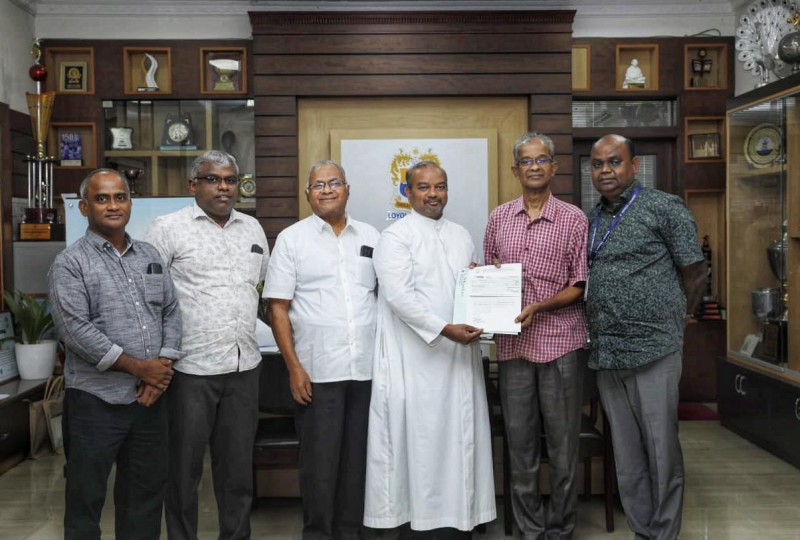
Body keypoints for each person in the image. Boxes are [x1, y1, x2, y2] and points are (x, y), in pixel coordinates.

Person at [364, 160, 496, 538]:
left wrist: (481, 282)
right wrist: (444, 329)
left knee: (459, 439)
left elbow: (462, 288)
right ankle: (420, 523)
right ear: (407, 193)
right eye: (423, 187)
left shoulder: (461, 235)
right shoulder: (395, 237)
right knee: (421, 443)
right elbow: (399, 297)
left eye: (440, 186)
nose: (433, 194)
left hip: (459, 358)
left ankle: (459, 519)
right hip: (415, 360)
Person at [49, 169, 183, 540]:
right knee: (85, 499)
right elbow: (75, 331)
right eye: (102, 198)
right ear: (83, 207)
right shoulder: (70, 263)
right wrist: (140, 368)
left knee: (145, 497)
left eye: (120, 197)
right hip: (95, 402)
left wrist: (161, 371)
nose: (113, 206)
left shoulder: (150, 255)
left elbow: (171, 311)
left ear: (129, 203)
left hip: (148, 401)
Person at [144, 150, 270, 540]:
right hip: (189, 370)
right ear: (193, 185)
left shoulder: (253, 229)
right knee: (183, 471)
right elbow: (149, 299)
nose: (223, 187)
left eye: (230, 180)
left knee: (237, 471)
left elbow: (260, 289)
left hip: (244, 367)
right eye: (213, 179)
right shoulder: (167, 229)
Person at [586, 135, 706, 540]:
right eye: (597, 164)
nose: (605, 171)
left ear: (634, 165)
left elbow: (695, 271)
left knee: (661, 451)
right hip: (608, 352)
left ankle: (665, 533)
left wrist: (679, 319)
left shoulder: (664, 207)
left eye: (614, 162)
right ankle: (642, 531)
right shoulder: (592, 219)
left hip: (654, 350)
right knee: (627, 456)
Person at [264, 160, 379, 540]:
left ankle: (351, 534)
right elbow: (277, 308)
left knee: (358, 463)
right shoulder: (292, 240)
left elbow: (390, 295)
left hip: (366, 370)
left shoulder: (372, 236)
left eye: (334, 183)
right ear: (307, 194)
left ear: (348, 189)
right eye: (318, 185)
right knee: (320, 466)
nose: (327, 190)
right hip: (317, 373)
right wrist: (294, 368)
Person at [483, 132, 588, 539]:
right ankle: (530, 530)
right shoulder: (498, 218)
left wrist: (539, 307)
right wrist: (479, 282)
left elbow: (579, 285)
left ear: (554, 167)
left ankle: (560, 529)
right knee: (520, 447)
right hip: (514, 349)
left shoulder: (573, 219)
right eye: (526, 161)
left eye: (542, 159)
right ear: (515, 170)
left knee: (562, 448)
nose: (534, 166)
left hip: (561, 346)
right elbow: (491, 272)